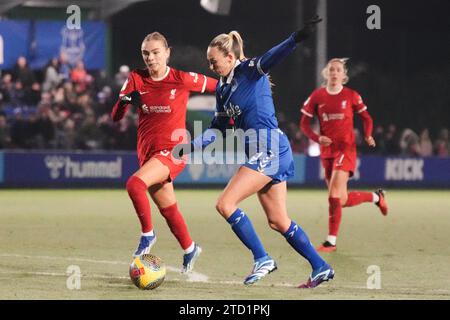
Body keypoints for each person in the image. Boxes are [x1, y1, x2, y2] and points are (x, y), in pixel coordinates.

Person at [182, 16, 334, 288]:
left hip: (270, 149)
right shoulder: (223, 88)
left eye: (213, 60)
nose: (210, 65)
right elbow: (218, 128)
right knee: (278, 220)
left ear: (230, 56)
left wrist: (297, 38)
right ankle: (320, 266)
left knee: (225, 204)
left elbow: (273, 56)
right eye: (209, 61)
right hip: (263, 152)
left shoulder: (249, 70)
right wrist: (192, 146)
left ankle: (262, 258)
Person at [111, 32, 217, 272]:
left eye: (156, 52)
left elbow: (219, 87)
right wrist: (125, 101)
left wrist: (236, 106)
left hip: (174, 150)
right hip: (148, 153)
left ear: (167, 52)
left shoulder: (182, 79)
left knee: (134, 185)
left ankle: (147, 235)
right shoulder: (136, 78)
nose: (150, 58)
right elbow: (115, 117)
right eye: (146, 53)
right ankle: (190, 249)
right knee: (168, 209)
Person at [299, 58, 388, 252]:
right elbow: (303, 124)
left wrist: (367, 134)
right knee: (342, 199)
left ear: (343, 75)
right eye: (331, 69)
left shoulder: (351, 95)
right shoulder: (317, 96)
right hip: (327, 152)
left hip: (346, 150)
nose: (334, 72)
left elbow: (367, 118)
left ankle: (331, 241)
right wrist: (317, 137)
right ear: (326, 73)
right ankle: (376, 197)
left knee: (332, 196)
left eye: (338, 70)